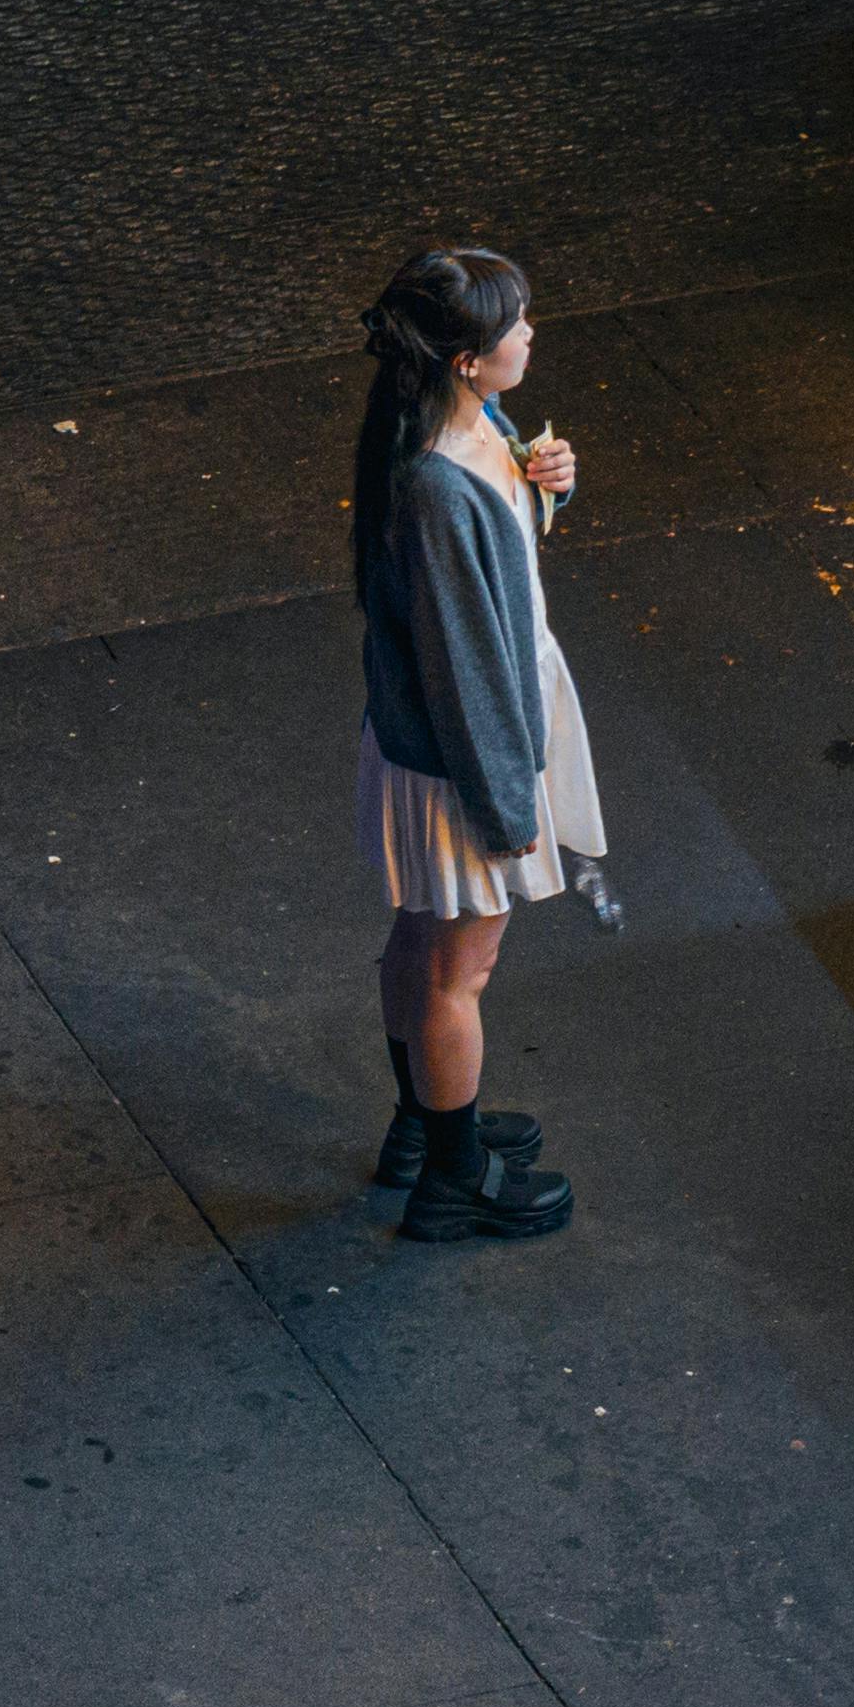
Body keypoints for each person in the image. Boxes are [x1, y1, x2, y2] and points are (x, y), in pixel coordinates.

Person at [351, 243, 590, 1243]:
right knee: (461, 971)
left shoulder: (460, 425)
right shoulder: (438, 487)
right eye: (514, 325)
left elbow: (496, 556)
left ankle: (424, 1121)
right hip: (465, 759)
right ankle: (454, 1177)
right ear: (465, 358)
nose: (530, 333)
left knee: (421, 936)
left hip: (434, 748)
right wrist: (503, 806)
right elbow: (462, 658)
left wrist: (548, 487)